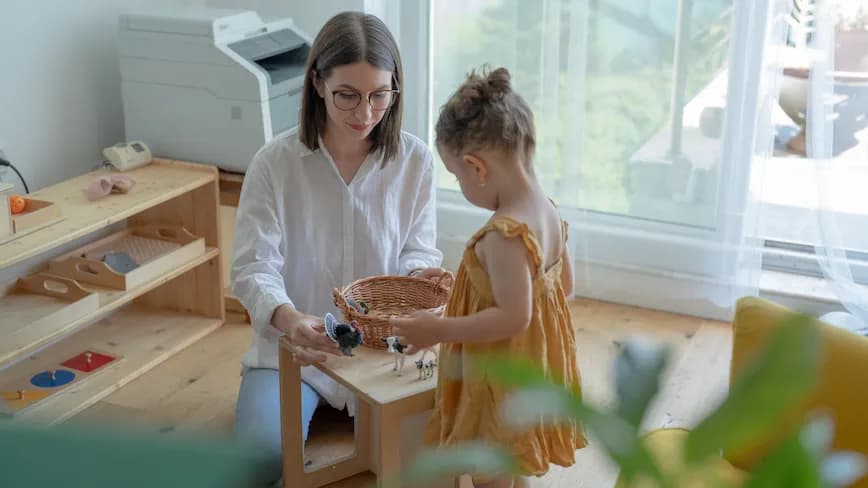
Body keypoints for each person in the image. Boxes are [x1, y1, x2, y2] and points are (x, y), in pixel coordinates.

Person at [230, 11, 448, 485]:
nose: (365, 113)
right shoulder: (275, 164)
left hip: (385, 354)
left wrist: (419, 281)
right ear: (318, 84)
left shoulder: (414, 161)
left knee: (440, 459)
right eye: (347, 95)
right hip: (296, 355)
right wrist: (289, 320)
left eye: (379, 95)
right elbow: (252, 268)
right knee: (258, 463)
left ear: (395, 90)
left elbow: (418, 251)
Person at [391, 66, 588, 488]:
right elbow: (562, 288)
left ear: (476, 167)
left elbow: (514, 316)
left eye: (456, 176)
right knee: (513, 464)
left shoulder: (503, 234)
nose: (461, 184)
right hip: (530, 373)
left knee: (489, 473)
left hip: (499, 381)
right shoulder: (547, 211)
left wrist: (436, 329)